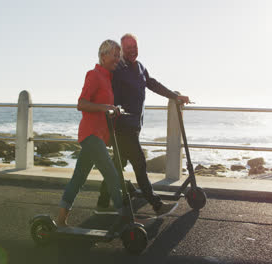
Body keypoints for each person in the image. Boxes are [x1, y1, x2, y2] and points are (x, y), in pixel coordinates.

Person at [96, 33, 191, 217]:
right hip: (122, 125)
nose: (132, 50)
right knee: (139, 163)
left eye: (135, 47)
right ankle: (155, 204)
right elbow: (103, 83)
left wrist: (174, 95)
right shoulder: (117, 68)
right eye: (128, 48)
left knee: (118, 163)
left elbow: (152, 83)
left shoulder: (140, 67)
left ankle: (102, 200)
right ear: (122, 50)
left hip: (135, 125)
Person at [56, 39, 127, 227]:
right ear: (103, 56)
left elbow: (104, 107)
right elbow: (81, 103)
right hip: (90, 134)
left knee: (78, 178)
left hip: (98, 137)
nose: (117, 59)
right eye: (114, 55)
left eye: (118, 56)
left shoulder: (107, 78)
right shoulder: (94, 75)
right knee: (112, 174)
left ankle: (60, 220)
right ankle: (127, 218)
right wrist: (105, 107)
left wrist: (113, 110)